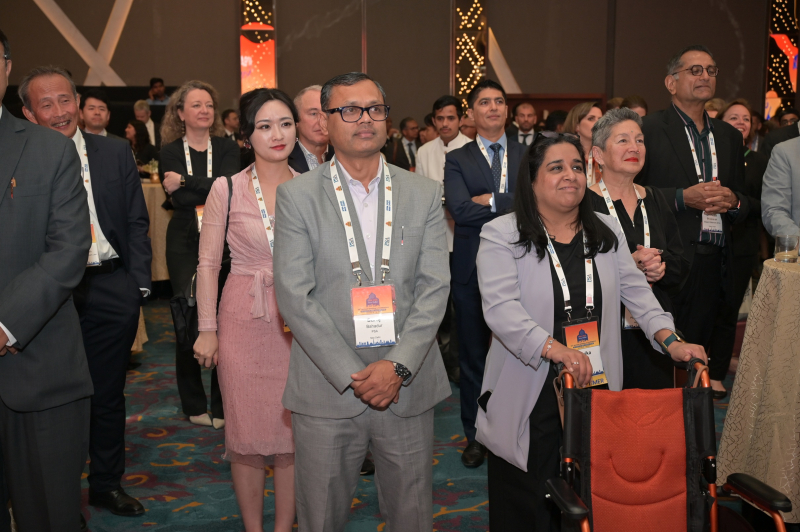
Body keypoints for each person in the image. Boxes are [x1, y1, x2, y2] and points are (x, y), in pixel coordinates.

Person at [474, 133, 707, 529]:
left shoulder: (604, 229)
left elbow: (639, 295)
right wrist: (556, 349)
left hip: (594, 382)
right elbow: (501, 310)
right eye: (557, 168)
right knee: (529, 500)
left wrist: (671, 341)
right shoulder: (502, 233)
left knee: (589, 494)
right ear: (531, 181)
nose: (571, 175)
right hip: (531, 384)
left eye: (577, 167)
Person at [273, 72, 450, 531]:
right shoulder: (296, 196)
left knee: (412, 516)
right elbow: (294, 295)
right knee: (320, 518)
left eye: (375, 109)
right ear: (325, 123)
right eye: (349, 110)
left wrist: (397, 367)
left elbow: (435, 287)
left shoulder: (423, 192)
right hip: (327, 387)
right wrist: (354, 375)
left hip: (406, 384)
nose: (365, 119)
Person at [20, 64, 152, 520]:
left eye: (66, 100)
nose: (59, 111)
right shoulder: (22, 160)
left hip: (112, 285)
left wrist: (137, 284)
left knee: (108, 393)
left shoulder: (113, 151)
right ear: (28, 113)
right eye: (46, 104)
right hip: (52, 294)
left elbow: (135, 219)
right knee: (57, 400)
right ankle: (61, 498)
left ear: (78, 102)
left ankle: (106, 485)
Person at [0, 30, 93, 532]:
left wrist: (4, 325)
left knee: (48, 515)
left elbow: (67, 250)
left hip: (35, 366)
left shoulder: (49, 150)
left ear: (5, 67)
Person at [193, 88, 298, 532]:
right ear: (246, 135)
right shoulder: (228, 187)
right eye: (265, 126)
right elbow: (207, 264)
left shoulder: (312, 187)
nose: (277, 134)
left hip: (298, 323)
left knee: (292, 434)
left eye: (286, 123)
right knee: (245, 431)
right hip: (242, 317)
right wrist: (207, 328)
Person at [636, 44, 747, 397]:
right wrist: (683, 198)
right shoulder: (648, 129)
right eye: (695, 70)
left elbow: (747, 199)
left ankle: (691, 420)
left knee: (696, 354)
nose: (705, 76)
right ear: (671, 82)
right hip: (665, 262)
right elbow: (631, 191)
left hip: (714, 260)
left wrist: (733, 201)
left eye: (711, 71)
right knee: (659, 357)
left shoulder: (729, 136)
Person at [444, 79, 525, 468]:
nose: (493, 107)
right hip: (471, 267)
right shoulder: (457, 158)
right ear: (471, 114)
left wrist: (492, 200)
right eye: (484, 102)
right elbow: (460, 209)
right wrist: (515, 204)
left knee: (522, 351)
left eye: (499, 101)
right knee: (473, 355)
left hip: (524, 264)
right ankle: (476, 435)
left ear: (507, 110)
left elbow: (540, 200)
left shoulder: (529, 154)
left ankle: (517, 428)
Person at [588, 108, 688, 389]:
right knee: (602, 409)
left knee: (651, 409)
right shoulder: (583, 205)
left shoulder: (654, 198)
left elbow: (680, 262)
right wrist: (624, 264)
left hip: (653, 327)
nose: (634, 147)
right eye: (623, 140)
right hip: (602, 328)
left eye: (640, 140)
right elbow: (572, 270)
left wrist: (660, 266)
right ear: (598, 155)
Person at [160, 80, 240, 428]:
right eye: (196, 105)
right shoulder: (169, 150)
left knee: (225, 318)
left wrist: (185, 181)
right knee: (188, 316)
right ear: (180, 113)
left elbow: (230, 187)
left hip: (226, 237)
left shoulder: (227, 146)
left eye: (208, 104)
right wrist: (205, 187)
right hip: (183, 240)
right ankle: (194, 402)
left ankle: (223, 404)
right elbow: (179, 200)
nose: (204, 110)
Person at [707, 99, 768, 397]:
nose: (741, 122)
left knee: (728, 312)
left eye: (745, 118)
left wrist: (736, 201)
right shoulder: (708, 156)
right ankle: (693, 370)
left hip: (741, 245)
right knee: (701, 309)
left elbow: (766, 204)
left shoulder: (759, 161)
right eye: (734, 117)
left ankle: (716, 375)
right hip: (705, 243)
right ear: (719, 122)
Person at [416, 95, 472, 384]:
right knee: (437, 302)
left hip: (464, 236)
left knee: (462, 304)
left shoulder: (472, 148)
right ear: (434, 120)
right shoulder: (425, 151)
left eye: (451, 118)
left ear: (461, 119)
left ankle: (458, 364)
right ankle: (439, 362)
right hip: (436, 236)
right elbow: (421, 195)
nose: (445, 123)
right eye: (440, 118)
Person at [287, 85, 334, 174]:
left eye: (326, 112)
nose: (322, 120)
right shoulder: (284, 161)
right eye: (313, 114)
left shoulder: (343, 157)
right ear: (296, 120)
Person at [565, 102, 603, 185]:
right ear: (576, 126)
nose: (598, 124)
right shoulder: (564, 154)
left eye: (600, 120)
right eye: (591, 119)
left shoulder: (604, 155)